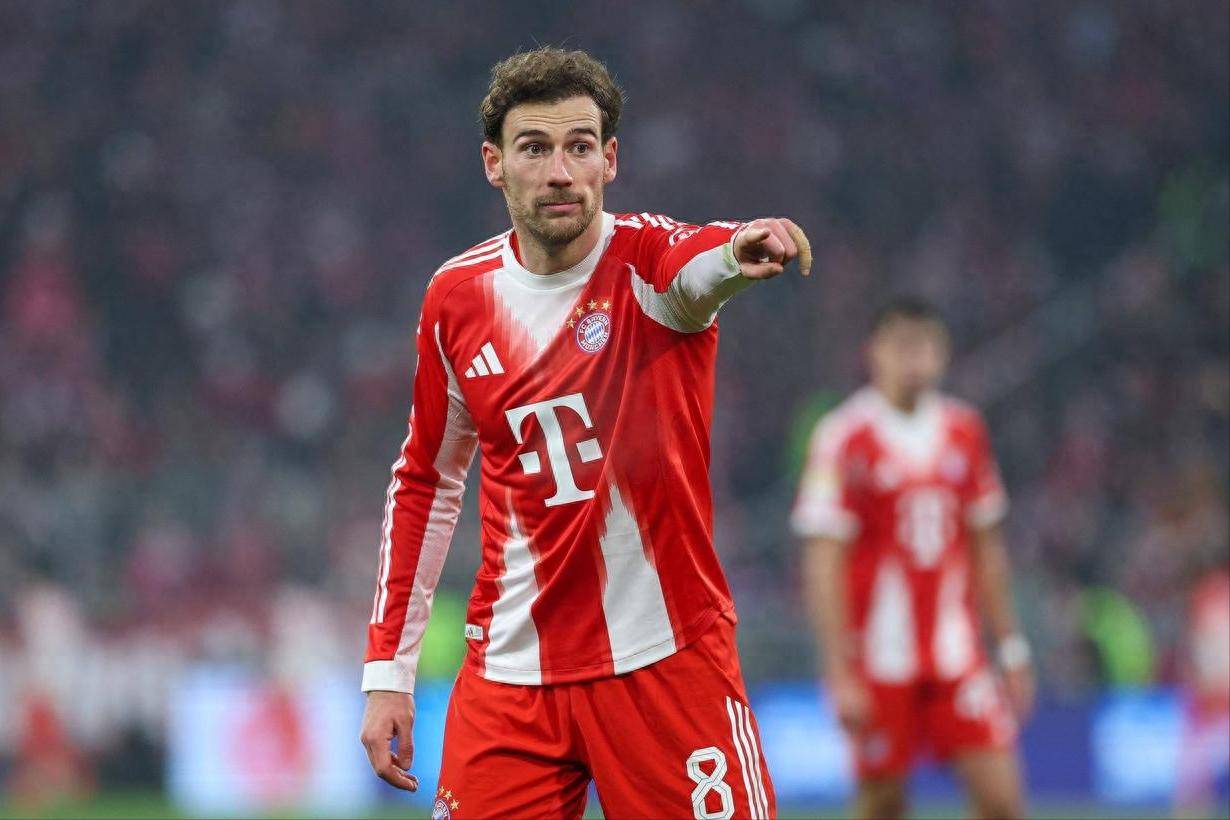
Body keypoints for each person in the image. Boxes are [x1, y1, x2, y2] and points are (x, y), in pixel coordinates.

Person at [359, 46, 809, 819]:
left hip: (663, 660)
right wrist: (387, 674)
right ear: (495, 164)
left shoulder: (645, 261)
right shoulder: (456, 299)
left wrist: (739, 251)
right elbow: (427, 483)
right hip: (511, 677)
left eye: (579, 147)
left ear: (610, 159)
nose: (560, 172)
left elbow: (698, 261)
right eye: (535, 149)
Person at [792, 299, 1033, 820]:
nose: (914, 359)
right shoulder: (843, 436)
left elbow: (986, 550)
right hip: (879, 659)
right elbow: (824, 562)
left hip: (957, 656)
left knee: (1002, 799)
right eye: (902, 345)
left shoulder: (965, 430)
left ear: (943, 354)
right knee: (883, 803)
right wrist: (837, 671)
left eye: (925, 346)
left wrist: (1011, 649)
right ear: (874, 352)